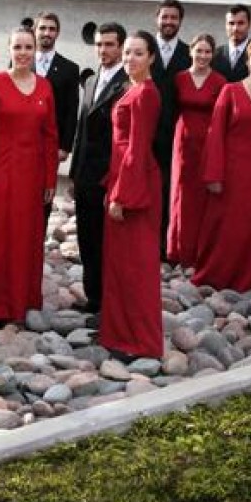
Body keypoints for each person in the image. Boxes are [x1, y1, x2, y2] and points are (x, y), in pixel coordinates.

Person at [0, 26, 58, 323]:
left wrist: (50, 179)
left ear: (35, 51)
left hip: (31, 176)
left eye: (28, 47)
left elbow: (50, 136)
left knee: (27, 239)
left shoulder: (45, 87)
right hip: (0, 174)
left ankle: (23, 300)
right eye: (17, 47)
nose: (23, 53)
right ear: (9, 50)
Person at [193, 38, 251, 291]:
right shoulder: (230, 91)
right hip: (232, 169)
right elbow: (215, 134)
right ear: (248, 60)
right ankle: (218, 274)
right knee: (227, 223)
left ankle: (248, 276)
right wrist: (213, 174)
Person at [98, 31, 164, 360]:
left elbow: (137, 150)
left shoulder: (145, 95)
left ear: (151, 57)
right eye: (126, 53)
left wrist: (122, 197)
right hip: (123, 177)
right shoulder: (133, 89)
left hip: (134, 184)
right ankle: (120, 332)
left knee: (137, 265)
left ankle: (142, 340)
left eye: (137, 53)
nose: (129, 59)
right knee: (122, 264)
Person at [68, 22, 128, 314]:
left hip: (108, 176)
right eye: (99, 44)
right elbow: (81, 129)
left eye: (109, 45)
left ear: (120, 47)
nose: (103, 50)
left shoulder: (128, 84)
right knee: (86, 239)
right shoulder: (90, 81)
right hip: (85, 177)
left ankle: (109, 302)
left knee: (107, 244)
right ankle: (93, 298)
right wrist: (73, 174)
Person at [166, 34, 226, 267]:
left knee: (203, 197)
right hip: (183, 140)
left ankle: (200, 252)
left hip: (208, 142)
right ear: (191, 52)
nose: (203, 56)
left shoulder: (221, 81)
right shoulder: (179, 78)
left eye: (207, 52)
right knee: (181, 195)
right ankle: (179, 251)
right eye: (199, 51)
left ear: (213, 55)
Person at [149, 0, 192, 259]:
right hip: (145, 133)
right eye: (164, 17)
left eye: (173, 18)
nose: (168, 22)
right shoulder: (143, 48)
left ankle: (164, 245)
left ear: (180, 21)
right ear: (157, 18)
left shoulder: (189, 54)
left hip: (174, 136)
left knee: (169, 190)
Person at [34, 12, 80, 232]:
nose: (47, 33)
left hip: (51, 144)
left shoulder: (69, 69)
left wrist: (65, 146)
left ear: (58, 33)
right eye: (43, 28)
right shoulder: (22, 59)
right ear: (35, 31)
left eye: (51, 29)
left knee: (45, 193)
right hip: (22, 142)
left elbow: (72, 110)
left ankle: (38, 240)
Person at [211, 4, 251, 82]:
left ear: (249, 24)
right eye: (231, 23)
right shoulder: (215, 54)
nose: (235, 28)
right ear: (225, 25)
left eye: (240, 23)